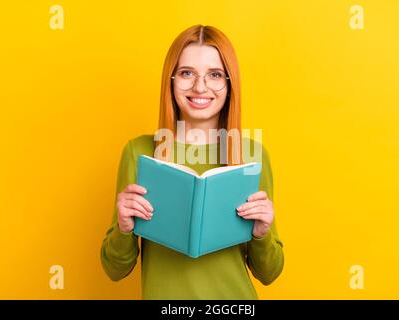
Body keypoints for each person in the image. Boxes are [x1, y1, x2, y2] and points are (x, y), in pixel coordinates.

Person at [100, 24, 284, 299]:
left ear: (229, 83)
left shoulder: (252, 155)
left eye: (215, 75)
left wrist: (262, 233)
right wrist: (124, 228)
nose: (200, 86)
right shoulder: (138, 152)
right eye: (187, 73)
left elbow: (269, 273)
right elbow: (114, 270)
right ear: (171, 80)